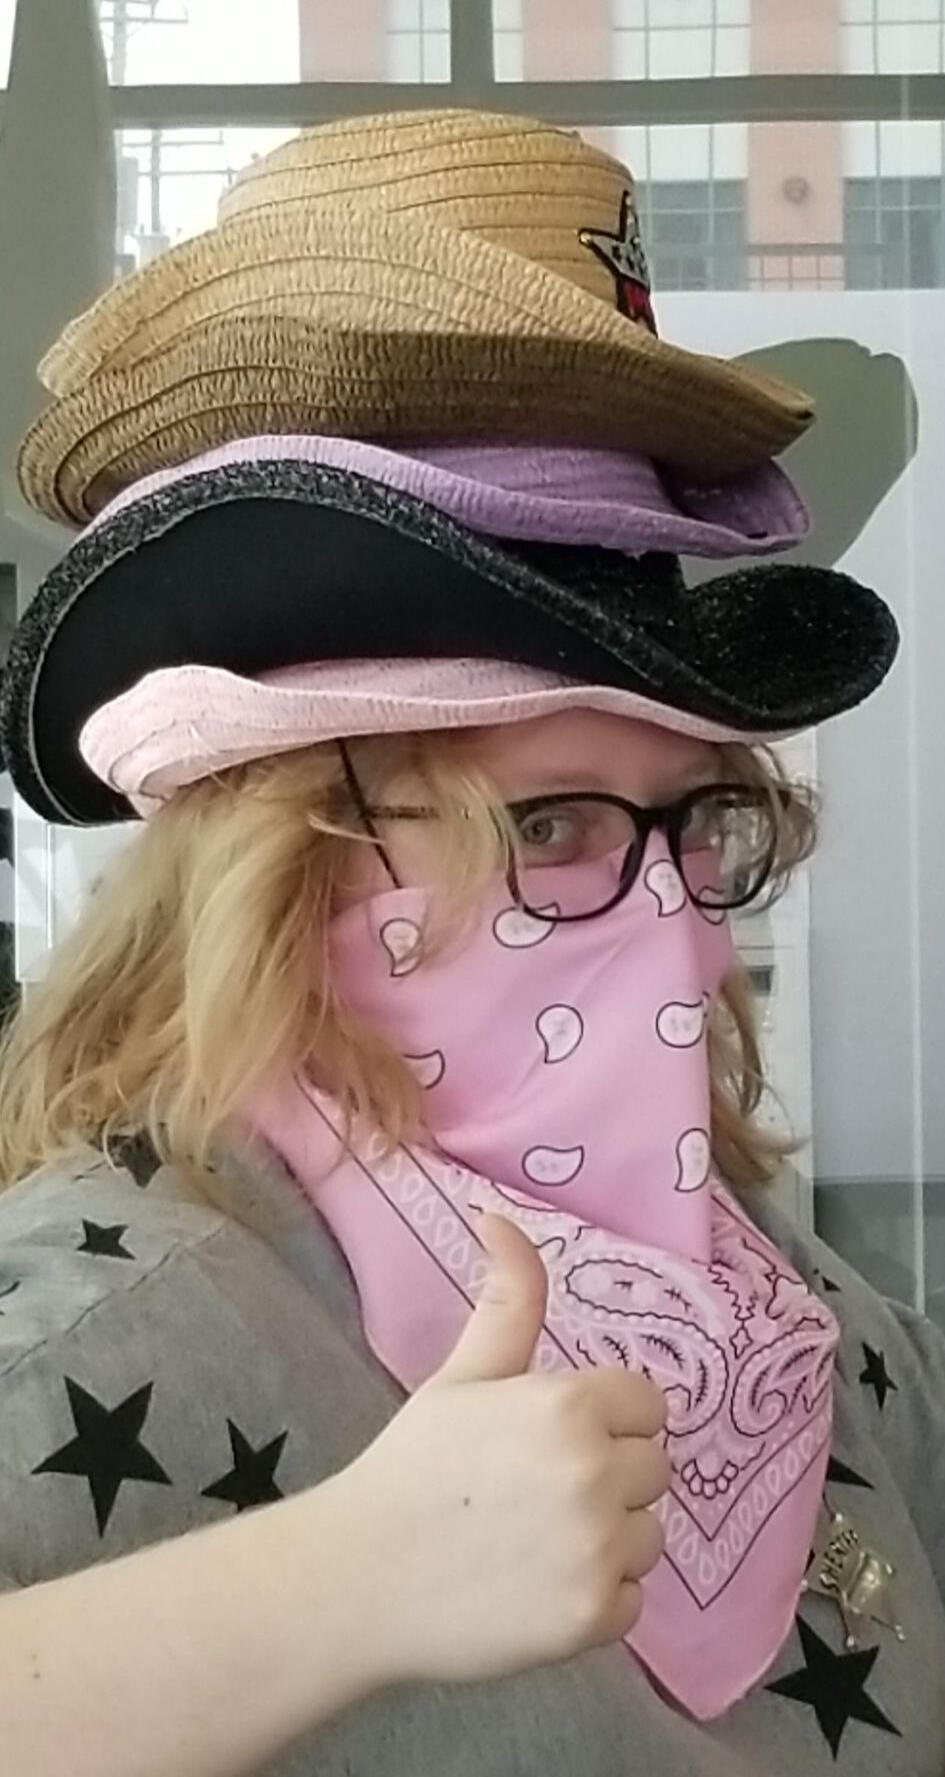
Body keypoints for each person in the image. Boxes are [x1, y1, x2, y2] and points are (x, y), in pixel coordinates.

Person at [0, 105, 941, 1776]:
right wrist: (327, 1591)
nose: (670, 937)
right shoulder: (93, 1328)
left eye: (695, 823)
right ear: (283, 857)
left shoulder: (782, 1301)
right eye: (550, 825)